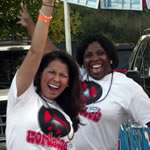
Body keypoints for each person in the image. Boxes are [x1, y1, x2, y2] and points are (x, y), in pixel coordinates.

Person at [16, 3, 150, 150]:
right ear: (82, 61)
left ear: (110, 57)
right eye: (88, 55)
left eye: (100, 53)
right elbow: (47, 49)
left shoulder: (127, 87)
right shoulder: (76, 76)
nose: (94, 59)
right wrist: (30, 24)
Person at [6, 0, 83, 150]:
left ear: (68, 82)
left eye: (63, 75)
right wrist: (48, 6)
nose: (56, 79)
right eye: (52, 72)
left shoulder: (66, 116)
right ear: (40, 74)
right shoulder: (22, 96)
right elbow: (36, 51)